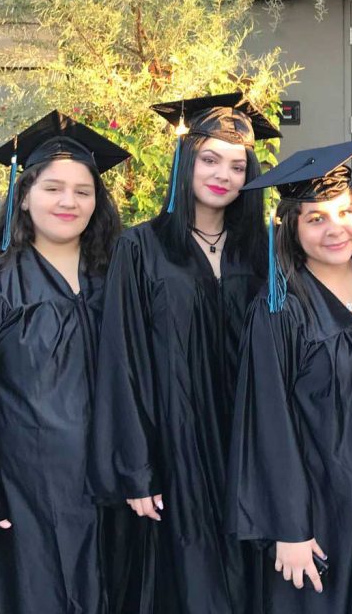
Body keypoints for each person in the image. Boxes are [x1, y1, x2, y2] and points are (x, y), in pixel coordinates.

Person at [0, 111, 128, 613]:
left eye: (83, 190)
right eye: (53, 188)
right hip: (22, 491)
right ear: (24, 194)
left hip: (107, 488)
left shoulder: (113, 277)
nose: (68, 202)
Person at [88, 92, 278, 614]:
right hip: (175, 448)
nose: (224, 175)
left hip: (248, 446)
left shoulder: (263, 252)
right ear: (186, 159)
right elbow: (122, 360)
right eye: (211, 159)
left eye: (238, 165)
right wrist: (137, 468)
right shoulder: (140, 247)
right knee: (185, 582)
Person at [227, 136, 352, 614]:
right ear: (290, 227)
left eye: (346, 212)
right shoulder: (277, 307)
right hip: (316, 505)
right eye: (316, 218)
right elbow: (269, 422)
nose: (336, 229)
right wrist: (288, 527)